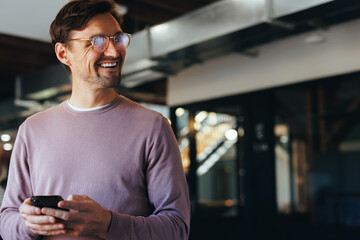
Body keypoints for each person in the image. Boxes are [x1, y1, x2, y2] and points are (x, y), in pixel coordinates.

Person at [0, 0, 190, 239]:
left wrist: (110, 224)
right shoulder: (32, 129)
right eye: (97, 41)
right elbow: (7, 221)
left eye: (118, 39)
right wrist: (29, 224)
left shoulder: (153, 127)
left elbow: (176, 228)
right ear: (63, 53)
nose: (113, 52)